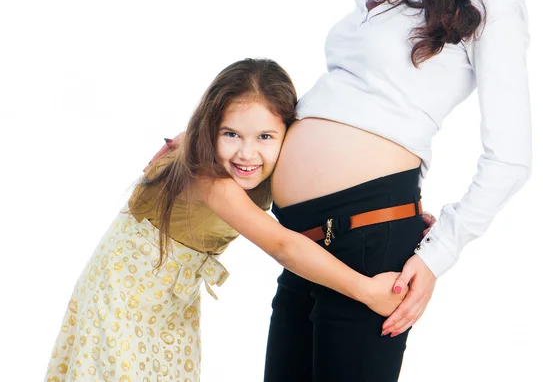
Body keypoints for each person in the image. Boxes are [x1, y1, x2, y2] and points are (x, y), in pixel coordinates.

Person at [260, 0, 532, 382]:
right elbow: (335, 103)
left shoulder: (490, 0)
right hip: (301, 242)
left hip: (371, 236)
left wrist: (435, 257)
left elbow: (510, 157)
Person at [45, 58, 426, 382]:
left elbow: (325, 184)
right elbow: (282, 244)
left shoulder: (266, 168)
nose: (247, 153)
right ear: (210, 129)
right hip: (123, 299)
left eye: (264, 136)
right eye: (231, 134)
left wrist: (394, 214)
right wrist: (364, 289)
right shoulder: (208, 175)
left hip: (169, 305)